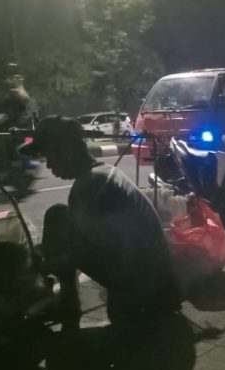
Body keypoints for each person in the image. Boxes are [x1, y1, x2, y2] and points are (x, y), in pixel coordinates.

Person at [19, 116, 181, 331]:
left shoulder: (90, 184)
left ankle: (69, 306)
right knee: (58, 215)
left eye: (49, 157)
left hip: (146, 291)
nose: (48, 165)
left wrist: (36, 267)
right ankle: (71, 303)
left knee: (58, 231)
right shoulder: (101, 173)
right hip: (156, 282)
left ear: (66, 151)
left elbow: (78, 251)